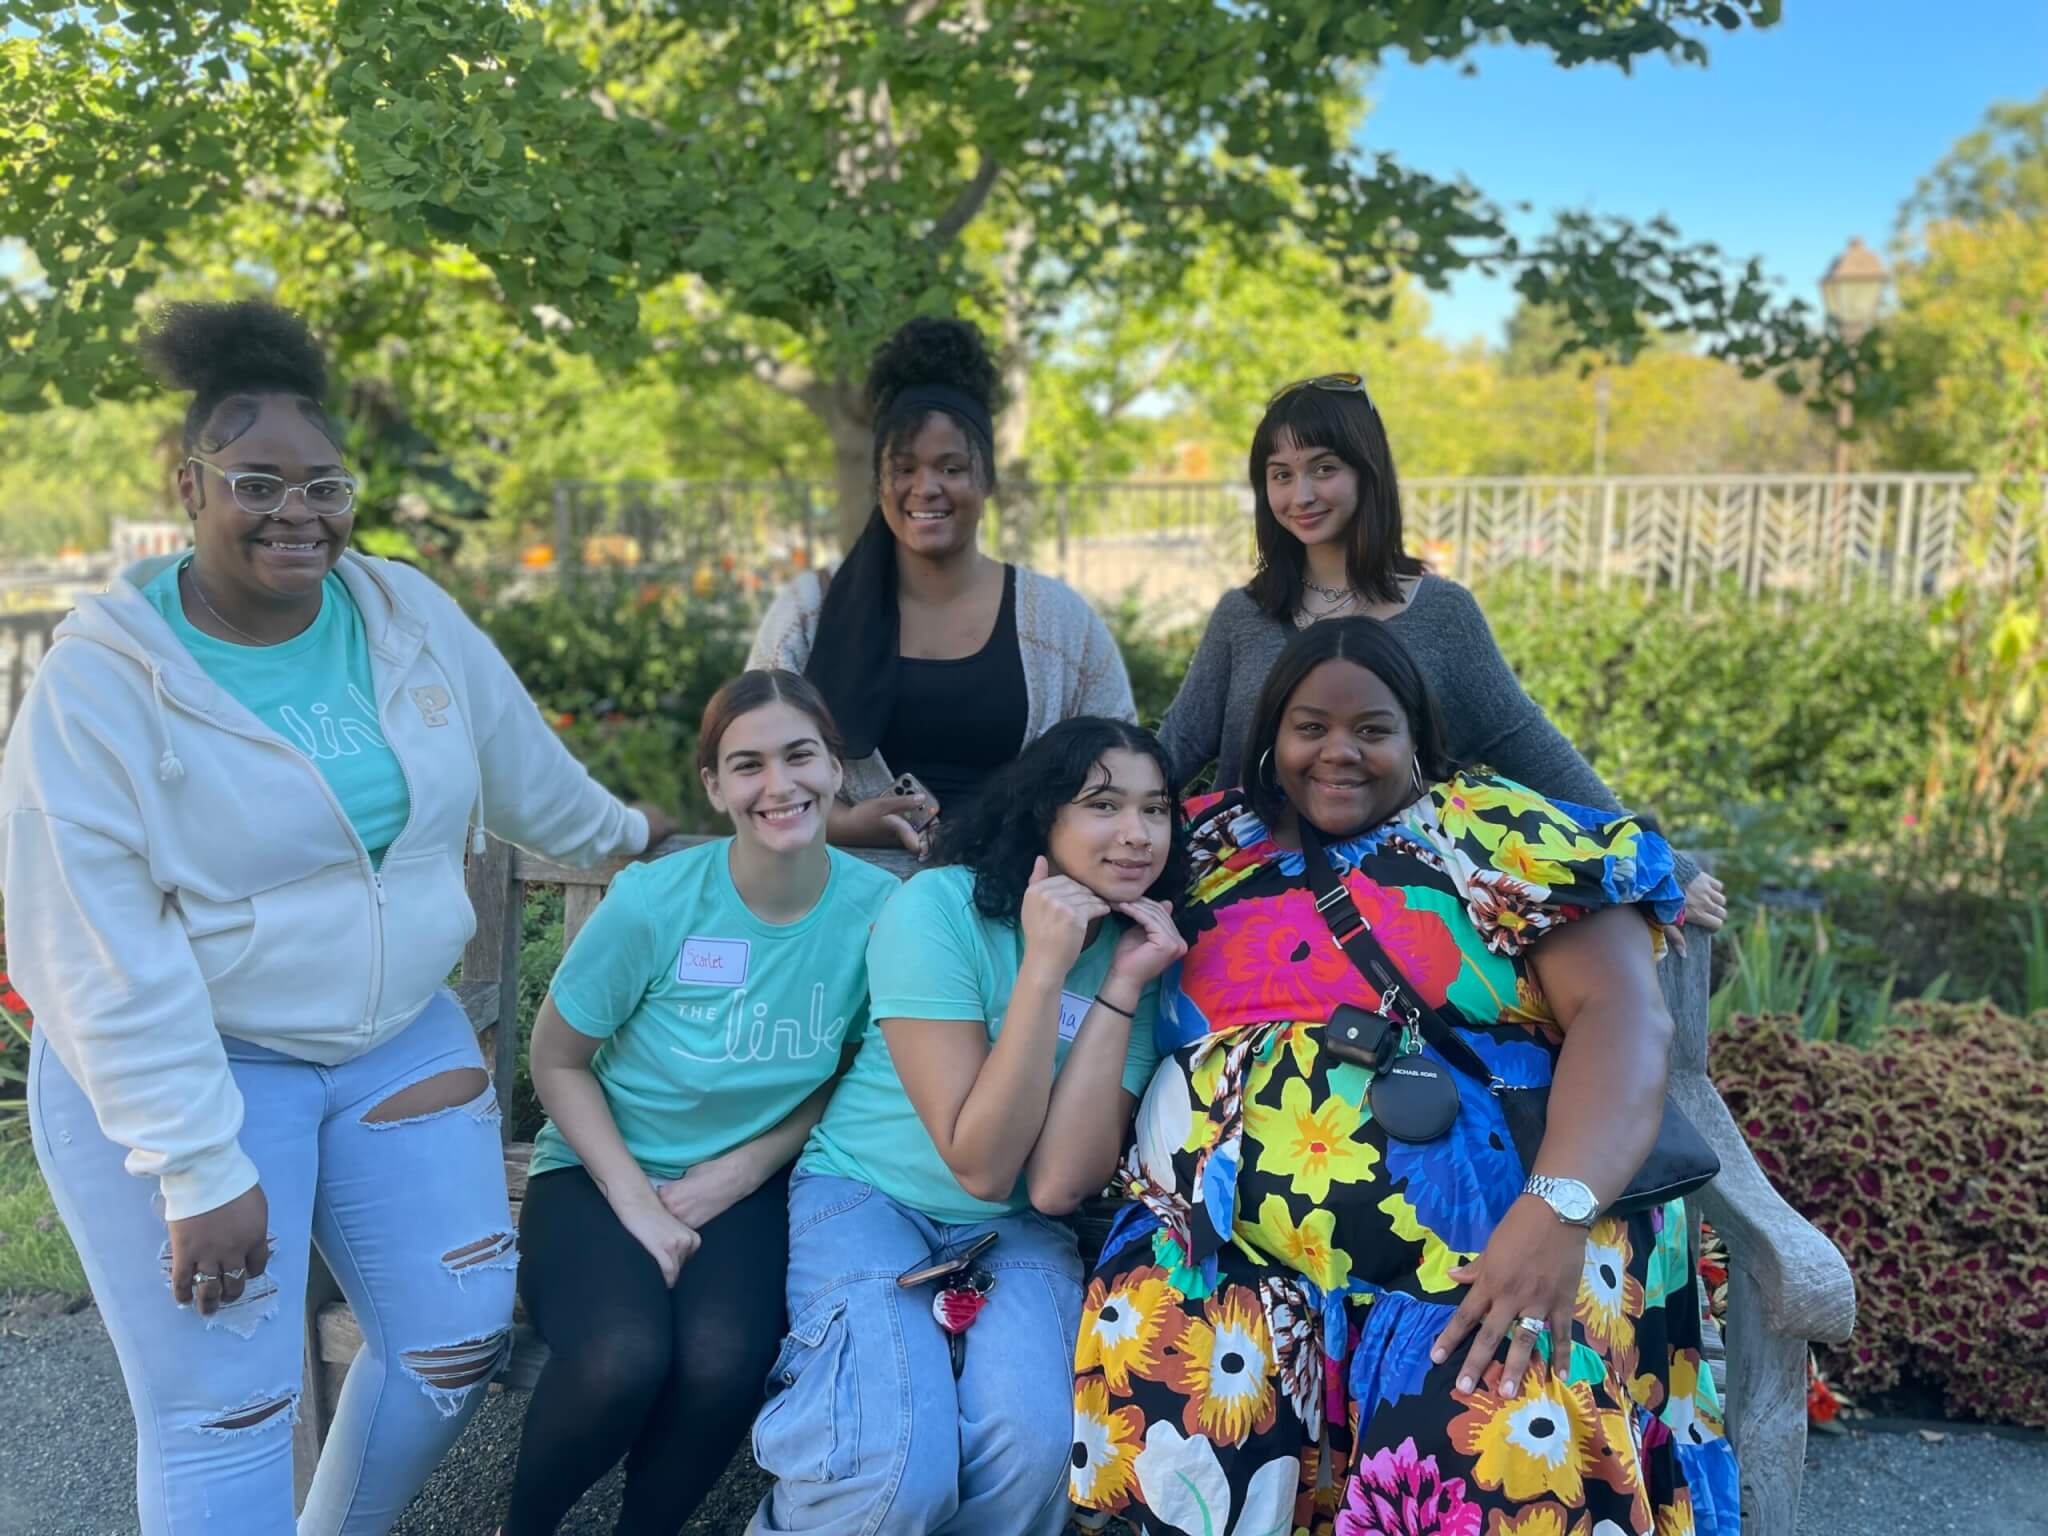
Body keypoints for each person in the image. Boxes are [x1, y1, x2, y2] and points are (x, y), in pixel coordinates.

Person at [0, 300, 675, 1535]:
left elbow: (535, 782)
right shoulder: (103, 683)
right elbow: (89, 953)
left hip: (390, 1039)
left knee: (455, 1343)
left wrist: (660, 844)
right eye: (256, 481)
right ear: (187, 481)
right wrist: (201, 1167)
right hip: (191, 1067)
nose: (296, 512)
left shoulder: (404, 617)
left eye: (324, 483)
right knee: (225, 1414)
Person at [1071, 618, 1738, 1536]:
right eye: (1310, 727)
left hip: (1501, 1235)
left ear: (1417, 734)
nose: (1337, 752)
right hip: (1221, 1245)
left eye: (1371, 730)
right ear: (1272, 735)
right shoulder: (1210, 839)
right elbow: (1044, 847)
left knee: (1492, 1424)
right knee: (1183, 1389)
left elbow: (1626, 1017)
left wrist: (1556, 1213)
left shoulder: (1497, 834)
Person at [748, 717, 1190, 1535]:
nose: (1136, 835)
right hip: (871, 1196)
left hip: (1015, 1228)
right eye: (1102, 804)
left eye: (1156, 809)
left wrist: (1121, 985)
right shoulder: (938, 909)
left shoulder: (1144, 952)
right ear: (1041, 817)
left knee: (1040, 1454)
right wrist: (1045, 965)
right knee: (889, 1472)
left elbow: (1052, 1185)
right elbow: (979, 1163)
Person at [505, 669, 898, 1534]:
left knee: (725, 1360)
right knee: (622, 1357)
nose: (779, 785)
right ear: (715, 788)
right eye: (747, 765)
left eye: (800, 756)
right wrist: (638, 1203)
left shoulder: (880, 915)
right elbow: (558, 1061)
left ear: (836, 770)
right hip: (597, 1169)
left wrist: (740, 1171)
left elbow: (855, 1069)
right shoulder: (657, 901)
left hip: (750, 1184)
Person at [1156, 372, 1728, 933]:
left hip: (1400, 920)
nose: (1300, 495)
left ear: (1367, 472)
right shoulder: (1244, 616)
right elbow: (1175, 748)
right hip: (1239, 909)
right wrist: (1081, 829)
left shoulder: (1442, 615)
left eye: (1323, 469)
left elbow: (1534, 752)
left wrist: (1661, 867)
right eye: (1280, 475)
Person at [749, 316, 1136, 853]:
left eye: (951, 468)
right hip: (845, 899)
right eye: (903, 468)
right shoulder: (807, 611)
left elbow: (1122, 774)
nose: (925, 488)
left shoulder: (1061, 622)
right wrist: (845, 824)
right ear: (879, 481)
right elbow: (749, 766)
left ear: (988, 479)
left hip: (1018, 904)